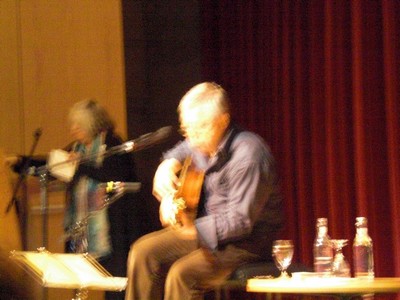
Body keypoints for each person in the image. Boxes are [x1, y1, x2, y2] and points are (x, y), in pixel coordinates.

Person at [125, 82, 284, 300]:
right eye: (187, 129)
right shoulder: (200, 140)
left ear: (223, 121)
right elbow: (183, 148)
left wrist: (195, 230)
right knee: (142, 252)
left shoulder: (249, 156)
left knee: (182, 274)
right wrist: (167, 164)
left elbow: (240, 222)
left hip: (245, 244)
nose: (192, 137)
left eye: (200, 129)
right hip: (206, 231)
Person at [11, 99, 144, 300]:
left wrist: (79, 166)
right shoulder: (78, 148)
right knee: (79, 285)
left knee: (115, 287)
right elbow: (51, 165)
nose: (73, 130)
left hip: (112, 231)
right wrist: (21, 161)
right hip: (82, 231)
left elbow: (113, 176)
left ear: (92, 124)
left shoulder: (114, 144)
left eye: (78, 125)